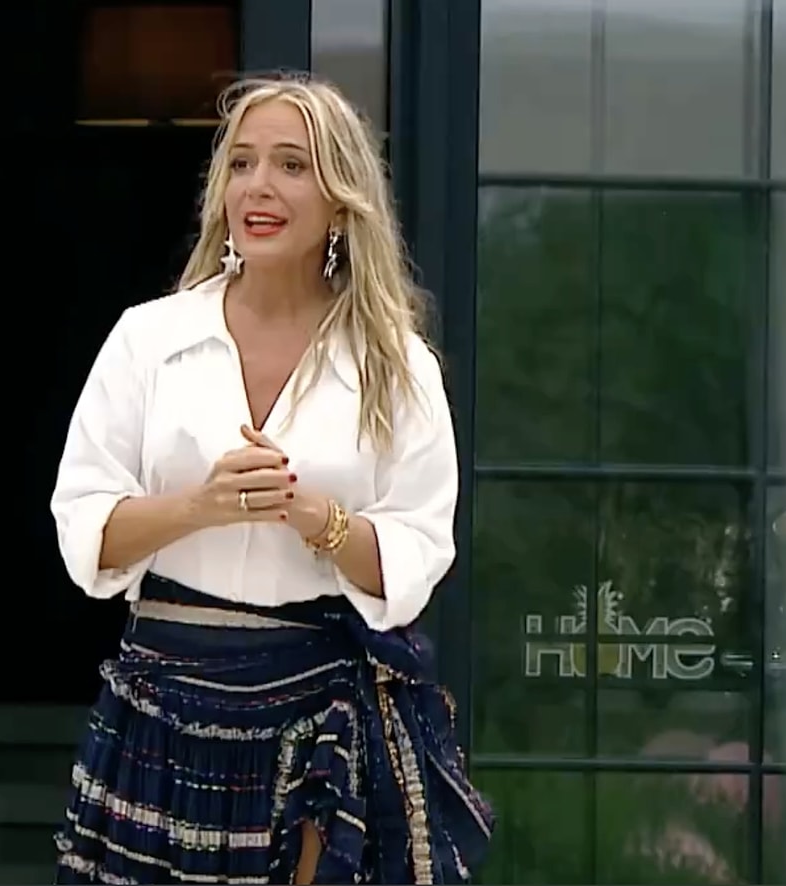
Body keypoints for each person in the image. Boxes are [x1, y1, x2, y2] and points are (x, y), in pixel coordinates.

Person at [49, 73, 493, 885]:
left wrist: (317, 518)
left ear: (341, 200)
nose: (259, 185)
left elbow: (416, 558)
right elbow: (86, 530)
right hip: (163, 699)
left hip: (319, 712)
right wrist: (200, 506)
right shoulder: (148, 340)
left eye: (292, 165)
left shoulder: (397, 365)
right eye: (243, 163)